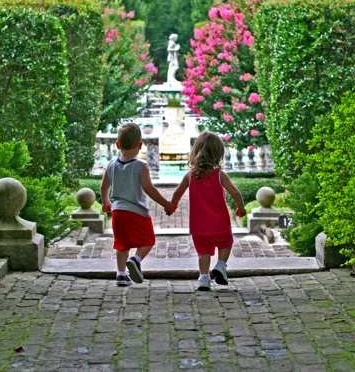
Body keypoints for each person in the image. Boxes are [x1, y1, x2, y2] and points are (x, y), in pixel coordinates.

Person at [101, 122, 176, 286]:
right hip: (137, 212)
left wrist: (106, 202)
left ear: (117, 145)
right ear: (140, 145)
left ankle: (121, 275)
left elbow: (103, 186)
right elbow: (149, 189)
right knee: (148, 240)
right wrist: (166, 204)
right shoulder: (141, 166)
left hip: (118, 212)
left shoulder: (111, 165)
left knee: (121, 244)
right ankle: (136, 259)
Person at [170, 131, 246, 291]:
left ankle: (203, 279)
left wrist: (172, 205)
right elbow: (235, 193)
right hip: (219, 222)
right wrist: (240, 208)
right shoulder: (219, 175)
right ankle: (220, 265)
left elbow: (177, 192)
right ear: (218, 153)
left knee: (203, 251)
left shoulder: (190, 175)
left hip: (198, 225)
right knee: (226, 242)